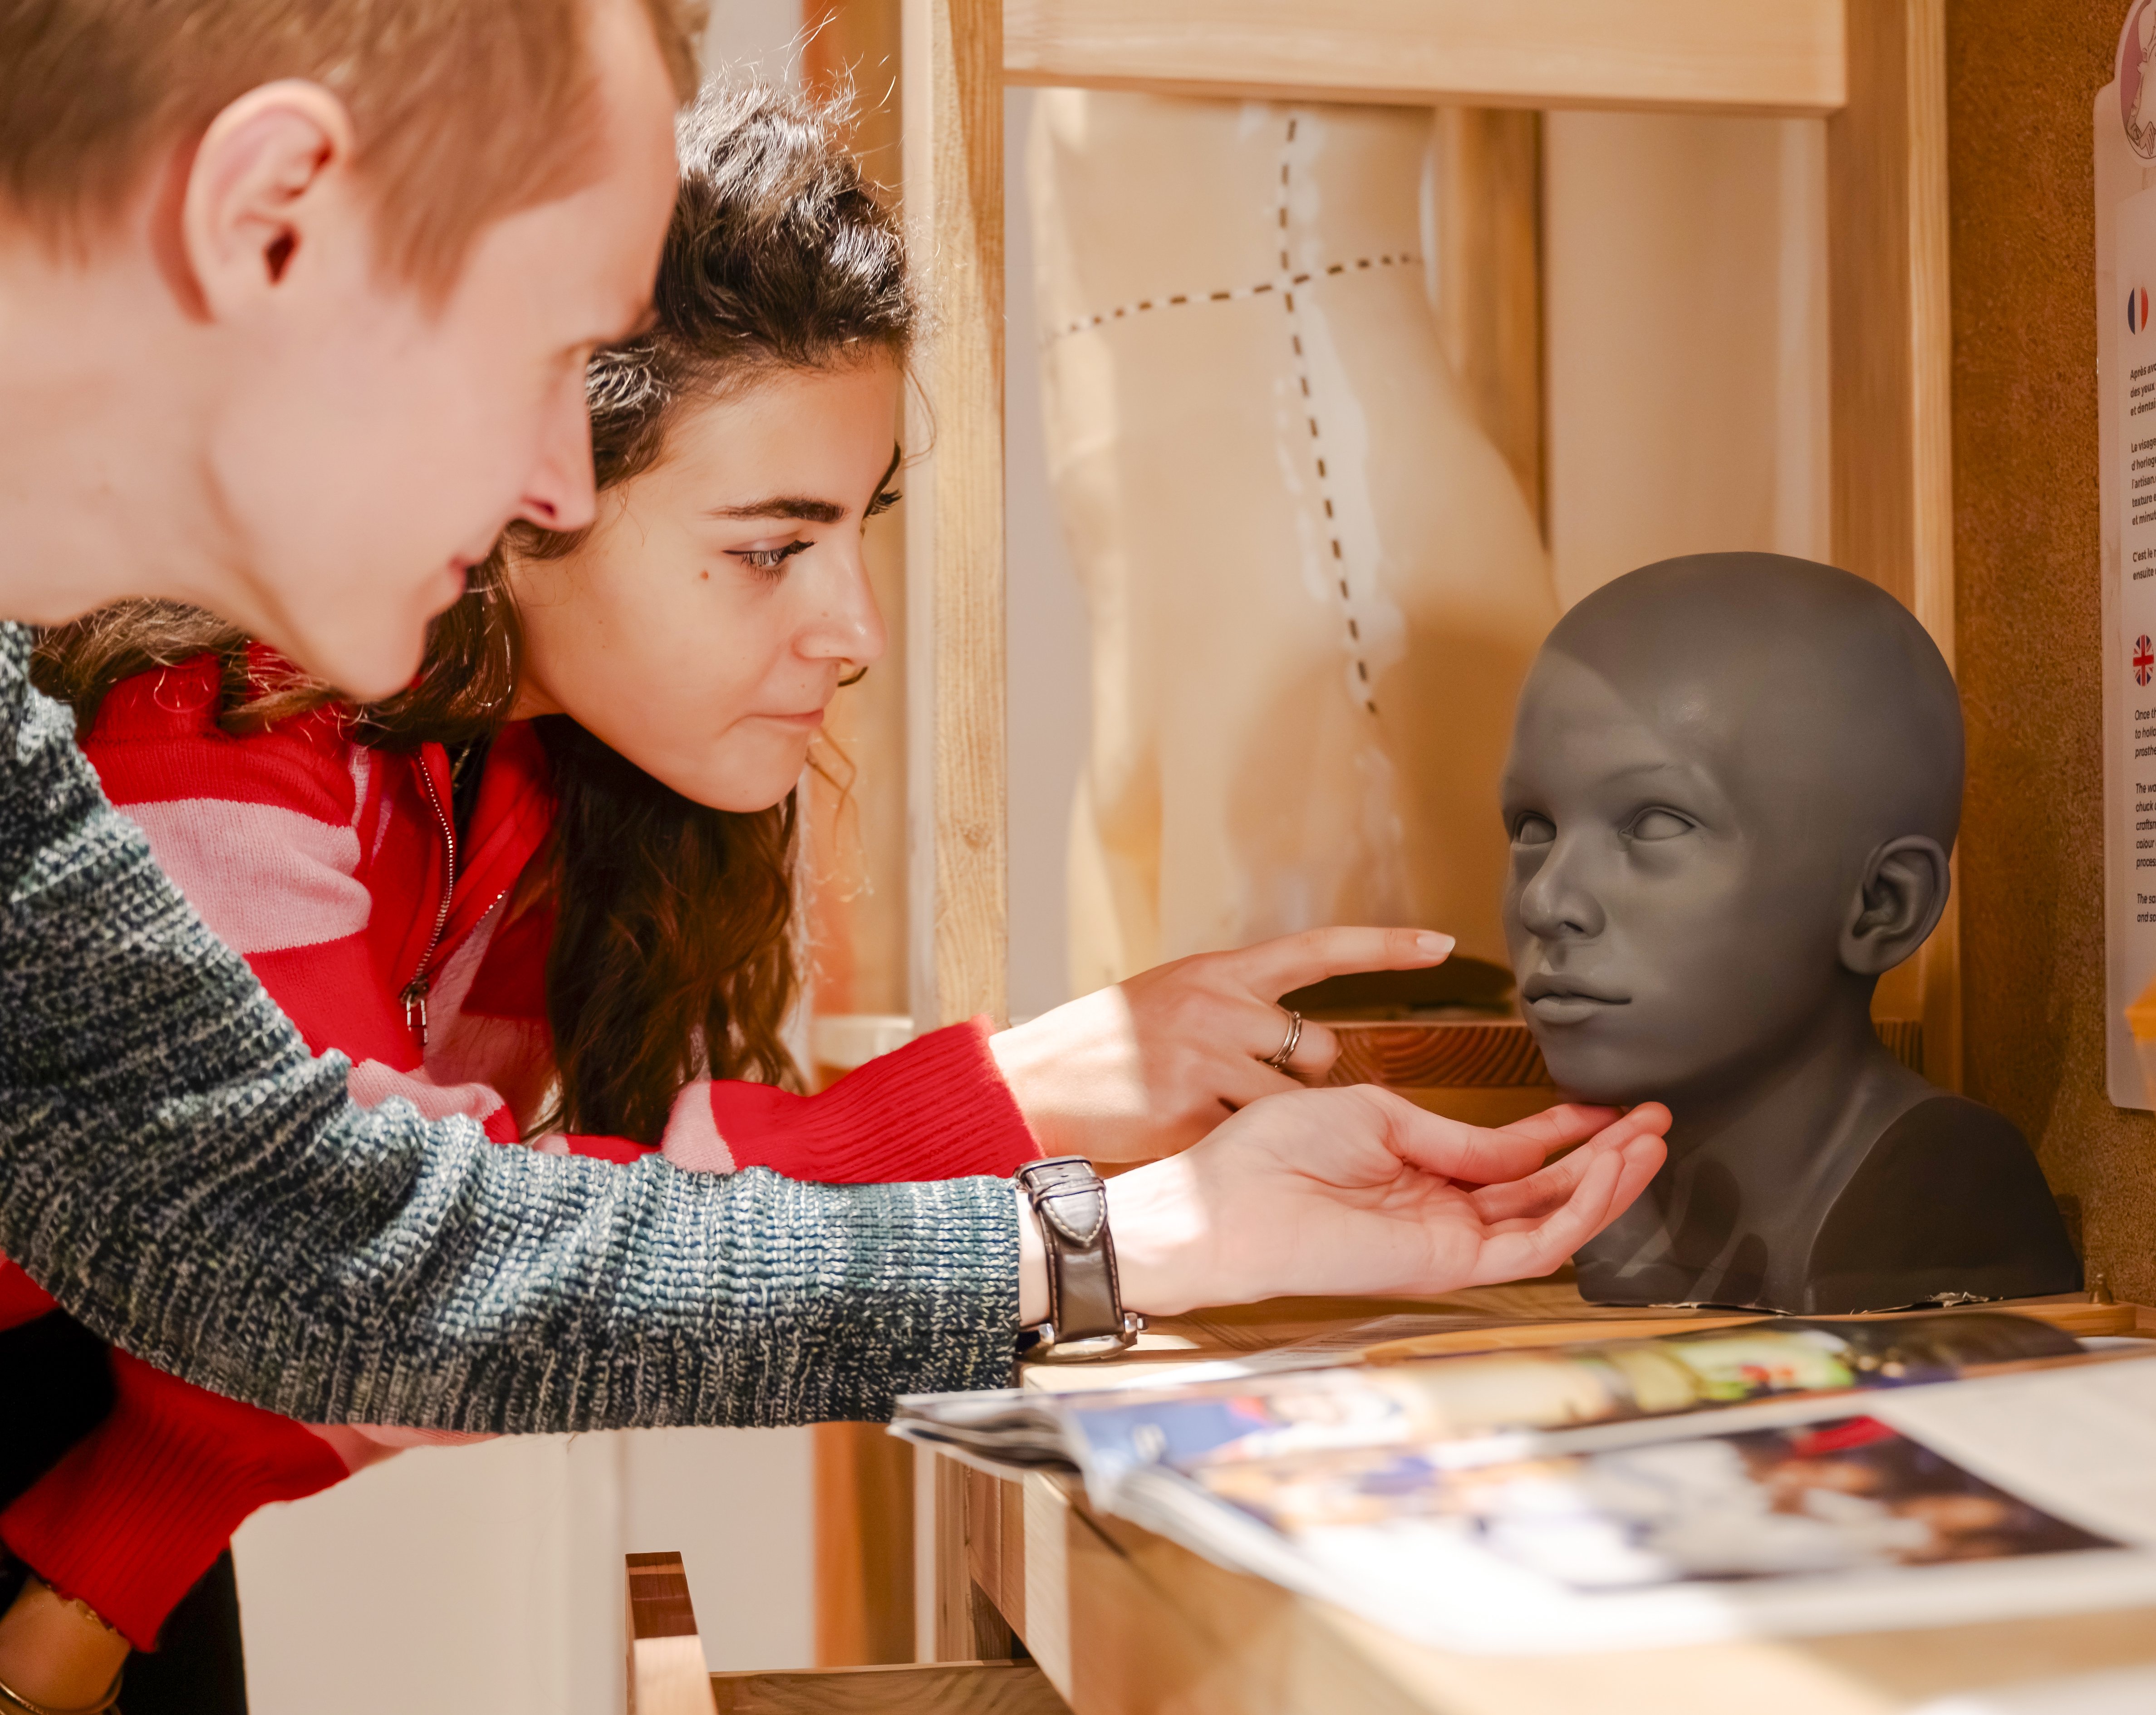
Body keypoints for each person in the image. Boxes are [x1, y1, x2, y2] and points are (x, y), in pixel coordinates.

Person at [0, 2, 1669, 1703]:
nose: (550, 483)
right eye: (539, 352)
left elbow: (339, 1250)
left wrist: (1112, 1212)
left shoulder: (436, 784)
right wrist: (1093, 1216)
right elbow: (372, 1274)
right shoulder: (205, 722)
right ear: (263, 216)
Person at [1498, 554, 2072, 1314]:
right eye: (1533, 825)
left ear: (1883, 905)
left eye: (1657, 824)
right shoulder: (1618, 1212)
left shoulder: (1939, 1195)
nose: (1547, 900)